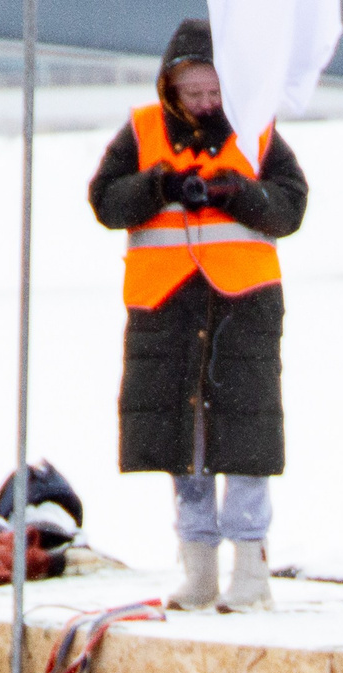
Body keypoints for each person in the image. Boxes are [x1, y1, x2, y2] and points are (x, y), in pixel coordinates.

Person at [88, 19, 308, 614]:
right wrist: (159, 185)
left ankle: (251, 575)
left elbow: (290, 207)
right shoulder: (139, 131)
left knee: (245, 442)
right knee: (184, 447)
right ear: (171, 89)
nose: (207, 104)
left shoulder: (257, 130)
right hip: (167, 314)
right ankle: (199, 572)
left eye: (215, 92)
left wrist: (241, 193)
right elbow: (106, 201)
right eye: (195, 94)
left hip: (244, 311)